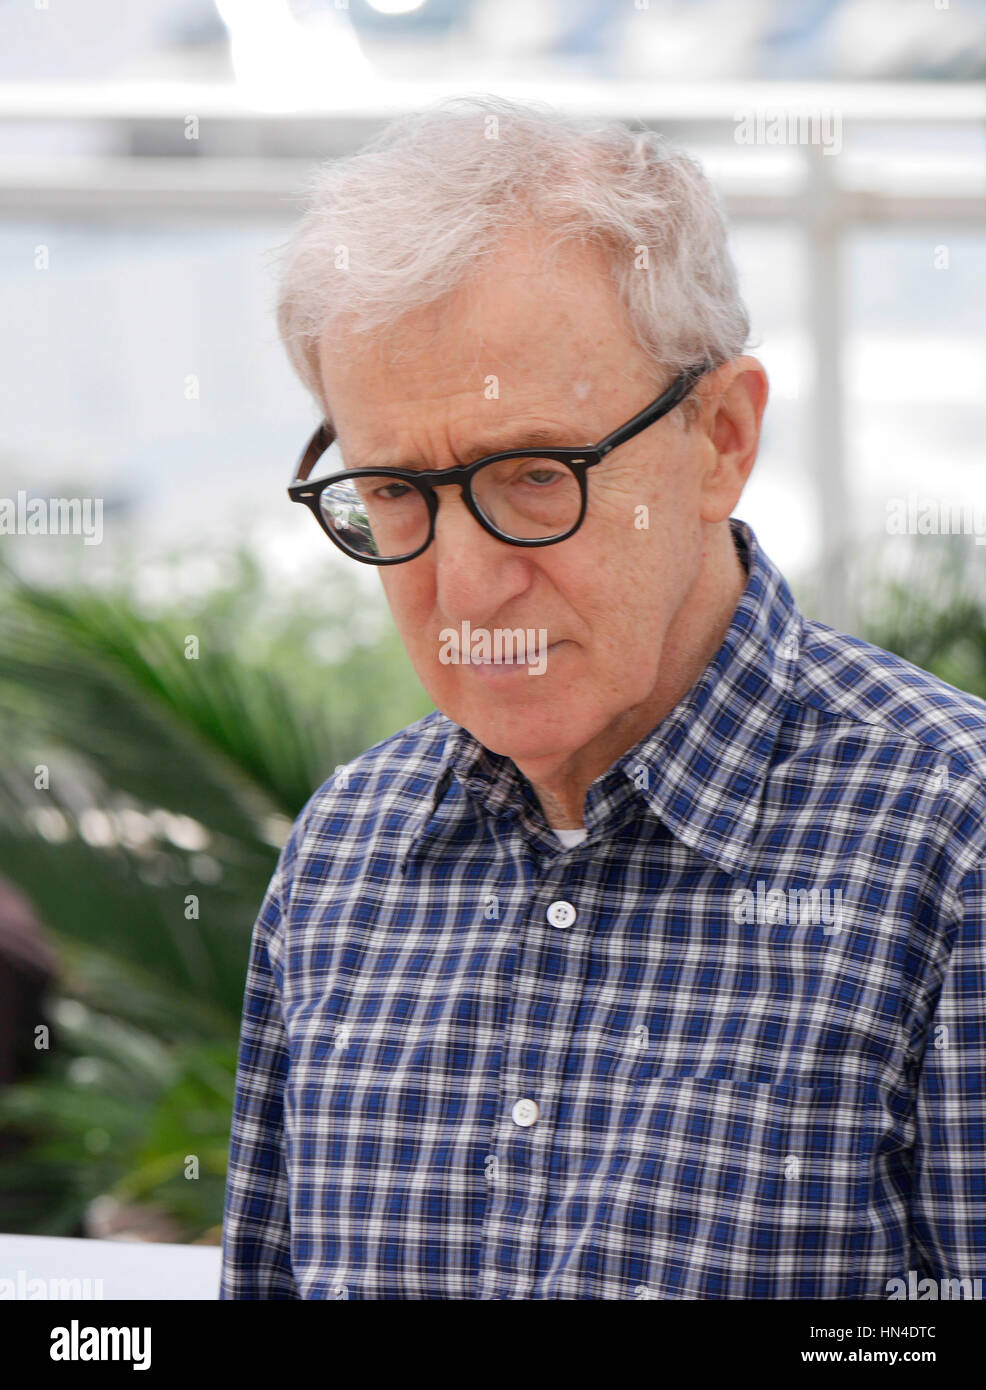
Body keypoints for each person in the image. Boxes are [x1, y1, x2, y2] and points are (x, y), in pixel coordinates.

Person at [220, 95, 986, 1300]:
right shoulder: (340, 861)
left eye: (534, 475)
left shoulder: (949, 848)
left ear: (720, 437)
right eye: (395, 494)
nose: (463, 583)